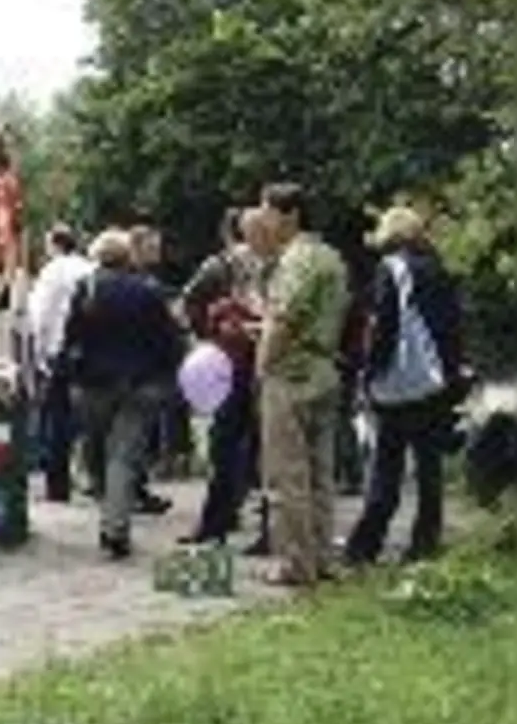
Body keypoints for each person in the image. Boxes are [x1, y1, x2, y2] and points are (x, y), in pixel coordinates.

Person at [343, 206, 465, 566]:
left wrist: (369, 374)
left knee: (386, 465)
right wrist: (451, 376)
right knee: (429, 469)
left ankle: (365, 546)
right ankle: (424, 544)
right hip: (433, 383)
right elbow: (452, 326)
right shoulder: (438, 269)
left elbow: (384, 327)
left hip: (397, 384)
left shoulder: (391, 269)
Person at [62, 229, 185, 559]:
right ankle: (115, 527)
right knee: (124, 455)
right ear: (128, 256)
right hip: (140, 385)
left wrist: (69, 375)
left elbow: (72, 337)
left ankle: (109, 511)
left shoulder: (86, 288)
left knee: (97, 452)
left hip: (94, 385)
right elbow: (168, 339)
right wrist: (167, 377)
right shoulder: (148, 290)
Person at [256, 183, 350, 586]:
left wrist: (262, 363)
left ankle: (295, 563)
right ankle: (323, 557)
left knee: (286, 475)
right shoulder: (331, 257)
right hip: (325, 369)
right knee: (320, 474)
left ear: (290, 214)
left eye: (267, 211)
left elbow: (285, 318)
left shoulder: (297, 259)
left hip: (291, 375)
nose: (263, 220)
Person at [187, 207, 275, 551]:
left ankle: (218, 523)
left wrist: (209, 336)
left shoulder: (222, 264)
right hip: (251, 362)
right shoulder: (270, 263)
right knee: (252, 447)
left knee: (231, 444)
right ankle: (255, 527)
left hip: (238, 362)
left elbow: (191, 301)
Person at [25, 224, 94, 502]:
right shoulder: (89, 268)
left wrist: (38, 352)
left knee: (58, 418)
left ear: (54, 245)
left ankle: (58, 485)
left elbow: (40, 314)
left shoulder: (52, 271)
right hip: (89, 351)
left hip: (59, 349)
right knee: (87, 415)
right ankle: (91, 474)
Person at [127, 223, 179, 513]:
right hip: (143, 369)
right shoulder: (142, 283)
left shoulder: (145, 280)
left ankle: (135, 487)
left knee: (141, 433)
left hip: (141, 367)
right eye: (152, 247)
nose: (157, 252)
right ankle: (133, 489)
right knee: (137, 434)